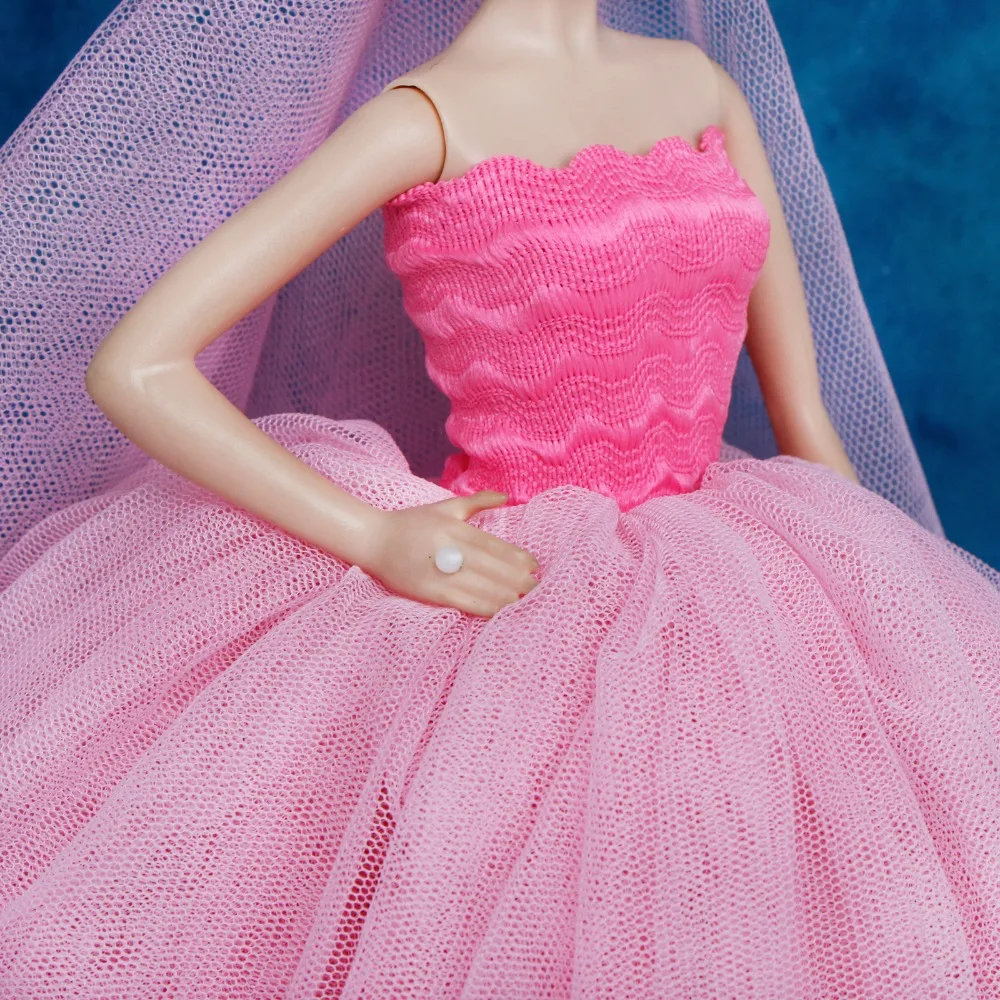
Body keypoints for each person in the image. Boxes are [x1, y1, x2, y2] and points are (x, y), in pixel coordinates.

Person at [1, 0, 998, 996]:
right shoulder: (424, 118)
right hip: (521, 599)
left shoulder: (701, 86)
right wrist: (374, 535)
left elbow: (805, 418)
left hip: (739, 584)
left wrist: (871, 605)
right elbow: (139, 364)